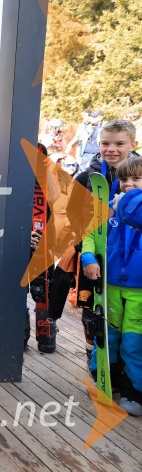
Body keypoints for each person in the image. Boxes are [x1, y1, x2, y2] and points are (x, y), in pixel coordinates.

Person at [82, 157, 142, 416]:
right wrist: (88, 257)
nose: (129, 184)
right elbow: (90, 235)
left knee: (134, 342)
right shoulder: (109, 209)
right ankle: (106, 377)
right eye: (124, 179)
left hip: (139, 290)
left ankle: (134, 392)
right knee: (108, 335)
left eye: (136, 178)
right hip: (110, 286)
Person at [74, 119, 139, 358]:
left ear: (133, 144)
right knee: (93, 308)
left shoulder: (139, 174)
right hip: (94, 253)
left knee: (129, 321)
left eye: (119, 144)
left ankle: (124, 366)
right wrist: (83, 248)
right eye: (105, 144)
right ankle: (97, 358)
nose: (111, 149)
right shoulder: (86, 176)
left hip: (129, 264)